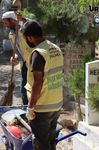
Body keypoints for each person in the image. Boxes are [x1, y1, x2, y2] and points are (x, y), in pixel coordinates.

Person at [22, 21, 63, 150]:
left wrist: (30, 107)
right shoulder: (55, 48)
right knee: (50, 143)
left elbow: (37, 83)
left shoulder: (38, 53)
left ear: (29, 37)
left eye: (25, 39)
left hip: (42, 108)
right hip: (56, 105)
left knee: (41, 145)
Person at [2, 11, 33, 105]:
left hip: (33, 62)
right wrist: (15, 57)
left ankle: (34, 112)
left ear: (12, 20)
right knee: (23, 90)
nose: (6, 26)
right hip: (24, 64)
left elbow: (33, 24)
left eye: (6, 23)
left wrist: (22, 19)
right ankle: (26, 110)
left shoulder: (25, 26)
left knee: (32, 89)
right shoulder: (12, 34)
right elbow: (16, 51)